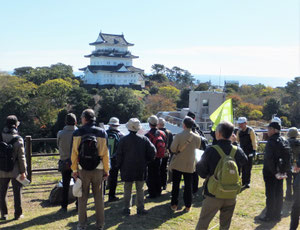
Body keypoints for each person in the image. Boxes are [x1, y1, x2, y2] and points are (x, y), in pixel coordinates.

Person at [195, 121, 247, 230]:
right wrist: (235, 144)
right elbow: (245, 161)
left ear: (218, 133)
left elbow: (202, 172)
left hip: (213, 194)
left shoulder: (211, 150)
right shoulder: (237, 150)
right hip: (231, 193)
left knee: (203, 222)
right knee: (225, 225)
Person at [71, 109, 109, 230]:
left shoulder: (78, 132)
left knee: (82, 198)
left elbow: (74, 153)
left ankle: (82, 225)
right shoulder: (102, 132)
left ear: (84, 118)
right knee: (98, 197)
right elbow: (105, 153)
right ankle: (100, 224)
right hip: (98, 168)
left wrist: (74, 170)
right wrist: (106, 170)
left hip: (82, 169)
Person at [116, 118, 156, 215]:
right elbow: (153, 152)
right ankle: (140, 208)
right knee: (140, 189)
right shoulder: (144, 139)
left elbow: (119, 155)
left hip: (127, 167)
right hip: (140, 167)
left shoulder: (123, 140)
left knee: (127, 188)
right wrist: (147, 161)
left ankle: (126, 209)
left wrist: (118, 166)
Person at [259, 121, 291, 222]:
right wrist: (282, 171)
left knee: (270, 194)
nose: (267, 131)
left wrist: (274, 172)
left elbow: (269, 159)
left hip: (271, 172)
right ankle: (277, 214)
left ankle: (269, 215)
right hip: (281, 171)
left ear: (274, 130)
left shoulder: (271, 142)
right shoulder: (284, 140)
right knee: (279, 192)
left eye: (269, 129)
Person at [169, 116, 201, 212]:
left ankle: (174, 204)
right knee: (188, 186)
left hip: (178, 163)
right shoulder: (197, 137)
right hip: (190, 163)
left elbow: (173, 149)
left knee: (176, 185)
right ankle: (188, 206)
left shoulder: (178, 136)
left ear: (184, 125)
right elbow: (197, 149)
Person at [0, 115, 27, 220]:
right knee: (17, 192)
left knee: (2, 192)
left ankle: (4, 214)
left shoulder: (0, 136)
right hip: (15, 169)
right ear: (16, 125)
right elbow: (21, 157)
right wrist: (23, 171)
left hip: (1, 169)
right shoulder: (18, 139)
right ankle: (18, 214)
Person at [57, 113, 77, 212]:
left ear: (65, 122)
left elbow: (58, 144)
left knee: (65, 184)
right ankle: (78, 203)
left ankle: (64, 206)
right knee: (78, 183)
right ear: (75, 122)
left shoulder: (60, 133)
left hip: (64, 161)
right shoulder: (78, 132)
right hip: (76, 162)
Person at [145, 115, 167, 199]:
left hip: (151, 158)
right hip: (160, 157)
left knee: (151, 175)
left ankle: (152, 193)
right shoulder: (162, 133)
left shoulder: (148, 135)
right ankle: (159, 190)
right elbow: (165, 144)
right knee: (158, 173)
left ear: (149, 124)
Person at [187, 111, 207, 194]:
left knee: (190, 171)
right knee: (195, 171)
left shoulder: (187, 127)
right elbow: (204, 139)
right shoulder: (198, 128)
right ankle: (194, 187)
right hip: (198, 152)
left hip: (189, 152)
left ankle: (192, 187)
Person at [236, 117, 257, 188]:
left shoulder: (250, 131)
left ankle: (247, 182)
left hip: (249, 151)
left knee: (248, 167)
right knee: (241, 167)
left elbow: (254, 141)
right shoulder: (239, 131)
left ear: (245, 123)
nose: (240, 125)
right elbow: (237, 140)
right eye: (239, 124)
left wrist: (254, 150)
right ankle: (242, 181)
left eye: (241, 123)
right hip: (242, 151)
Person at [106, 117, 124, 202]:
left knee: (103, 177)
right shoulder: (121, 135)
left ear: (110, 124)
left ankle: (101, 196)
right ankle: (111, 195)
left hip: (105, 159)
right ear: (117, 125)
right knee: (114, 178)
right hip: (115, 159)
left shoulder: (104, 133)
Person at [158, 118, 173, 190]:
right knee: (164, 169)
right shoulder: (169, 132)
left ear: (158, 124)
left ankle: (158, 184)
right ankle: (164, 184)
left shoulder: (158, 132)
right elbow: (171, 144)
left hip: (158, 153)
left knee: (158, 169)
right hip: (166, 152)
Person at [286, 127, 300, 201]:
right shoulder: (298, 143)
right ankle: (295, 195)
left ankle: (288, 196)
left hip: (288, 164)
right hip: (296, 164)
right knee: (296, 180)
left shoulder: (285, 142)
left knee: (288, 180)